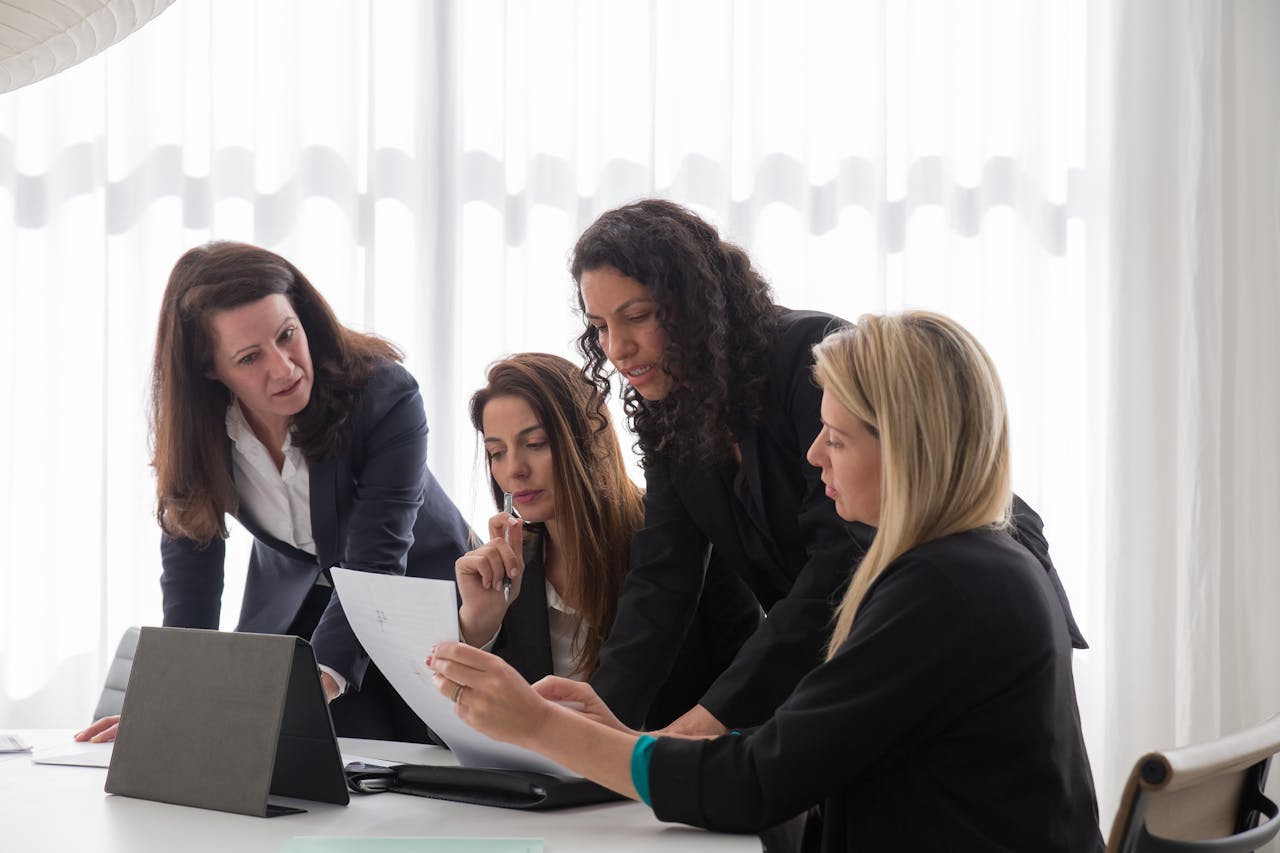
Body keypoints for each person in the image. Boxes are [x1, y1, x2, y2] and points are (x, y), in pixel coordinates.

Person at [426, 311, 1105, 851]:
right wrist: (622, 739)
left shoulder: (943, 591)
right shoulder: (961, 568)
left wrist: (543, 726)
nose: (811, 455)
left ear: (906, 446)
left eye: (835, 439)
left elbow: (755, 779)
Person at [566, 198, 1086, 733]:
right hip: (868, 629)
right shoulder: (670, 411)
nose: (617, 348)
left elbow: (841, 555)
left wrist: (704, 722)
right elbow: (662, 578)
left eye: (637, 316)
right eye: (600, 326)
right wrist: (594, 728)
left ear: (694, 302)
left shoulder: (810, 356)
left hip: (973, 611)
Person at [77, 241, 470, 744]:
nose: (284, 368)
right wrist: (169, 703)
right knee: (287, 767)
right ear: (208, 369)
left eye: (288, 335)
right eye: (249, 357)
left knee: (411, 774)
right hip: (304, 612)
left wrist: (317, 684)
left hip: (421, 604)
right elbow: (191, 586)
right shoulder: (196, 434)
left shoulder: (384, 396)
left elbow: (375, 564)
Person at [454, 353, 758, 727]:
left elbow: (751, 692)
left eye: (535, 444)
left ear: (587, 440)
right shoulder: (507, 566)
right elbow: (446, 734)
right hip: (545, 781)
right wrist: (477, 630)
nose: (513, 469)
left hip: (663, 776)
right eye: (496, 453)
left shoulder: (680, 542)